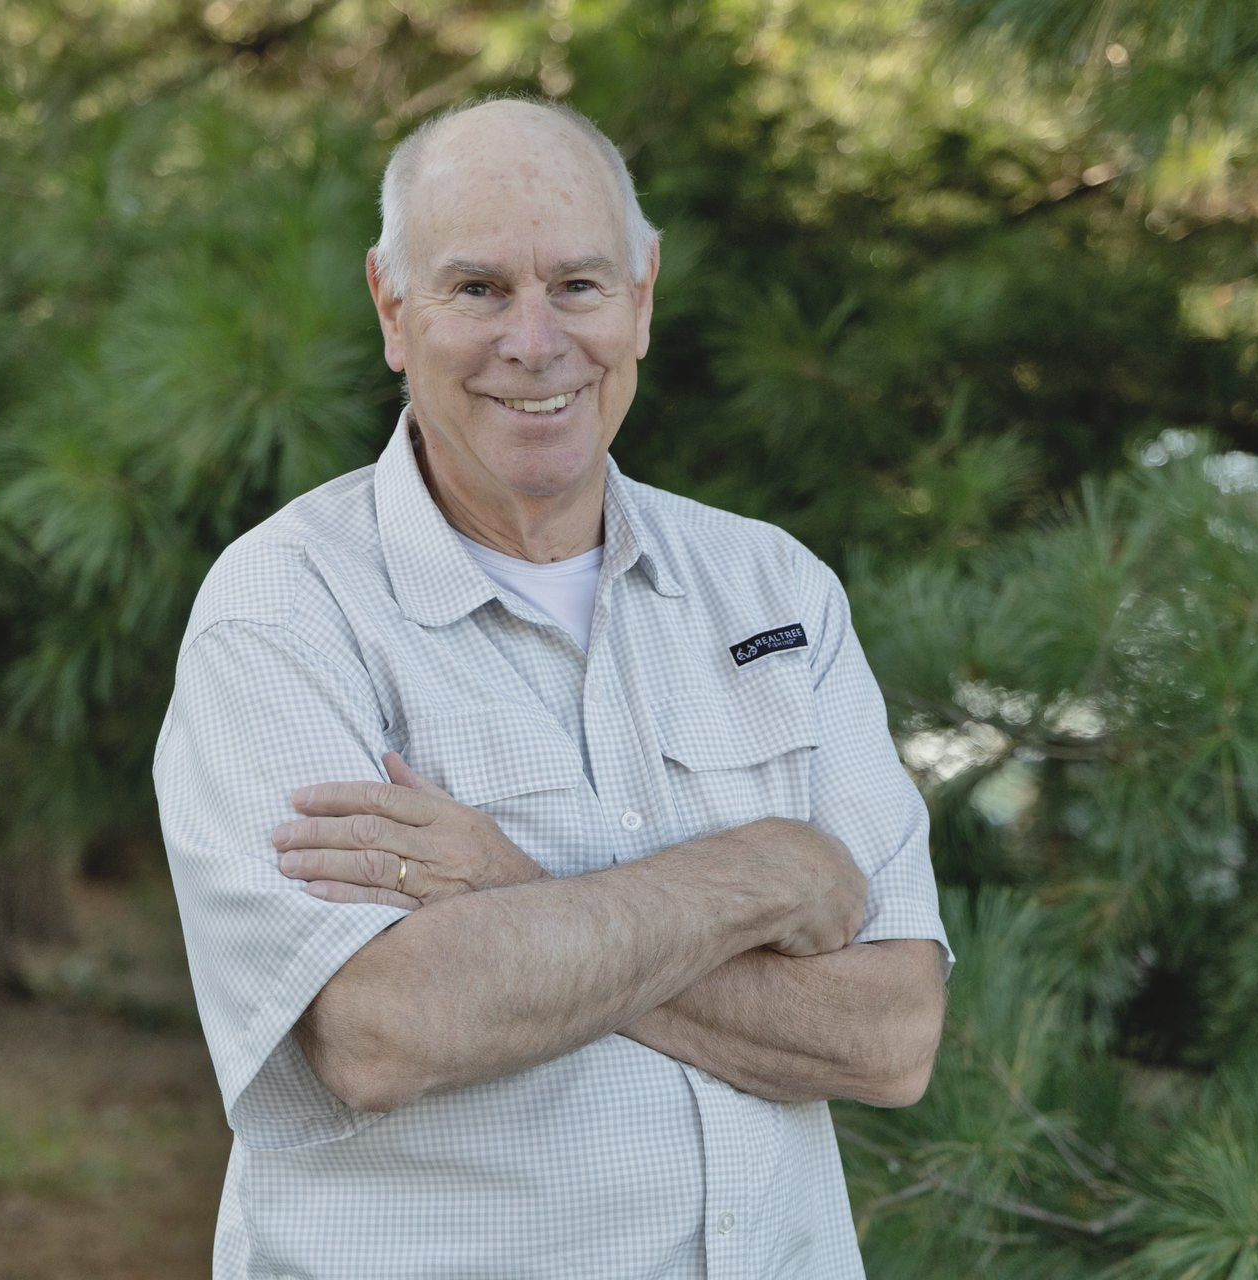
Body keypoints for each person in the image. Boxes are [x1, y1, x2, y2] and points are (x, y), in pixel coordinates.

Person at [155, 96, 950, 1279]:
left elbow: (891, 1034)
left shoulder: (773, 588)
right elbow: (386, 1025)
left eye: (578, 286)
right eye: (477, 290)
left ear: (642, 294)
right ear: (391, 306)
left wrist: (507, 888)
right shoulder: (282, 612)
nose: (535, 341)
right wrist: (767, 869)